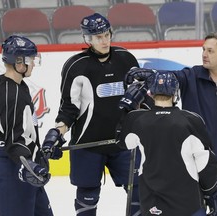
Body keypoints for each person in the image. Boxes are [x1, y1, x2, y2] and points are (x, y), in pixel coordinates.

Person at [125, 31, 217, 216]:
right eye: (203, 49)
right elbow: (169, 77)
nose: (204, 54)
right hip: (187, 165)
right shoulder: (191, 76)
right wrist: (150, 75)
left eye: (210, 50)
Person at [41, 13, 142, 215]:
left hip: (123, 144)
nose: (104, 41)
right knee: (87, 196)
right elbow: (69, 109)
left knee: (139, 192)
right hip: (87, 145)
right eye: (98, 37)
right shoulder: (76, 66)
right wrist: (58, 132)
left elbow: (139, 100)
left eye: (106, 35)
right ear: (88, 39)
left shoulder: (126, 59)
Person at [116, 71, 217, 216]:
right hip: (187, 204)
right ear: (175, 94)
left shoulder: (136, 119)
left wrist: (126, 107)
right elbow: (207, 164)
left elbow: (121, 141)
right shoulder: (191, 120)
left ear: (151, 94)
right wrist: (211, 193)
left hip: (151, 204)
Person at [0, 35, 53, 216]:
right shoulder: (11, 93)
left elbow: (21, 131)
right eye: (30, 59)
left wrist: (41, 152)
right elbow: (13, 141)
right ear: (19, 62)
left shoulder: (10, 84)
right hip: (12, 169)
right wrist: (28, 163)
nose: (32, 64)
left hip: (20, 165)